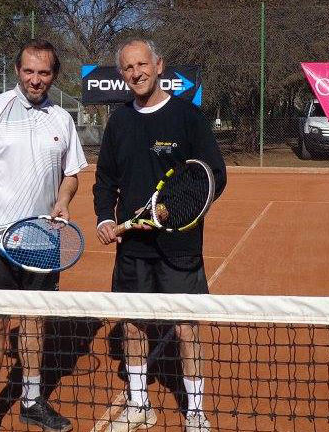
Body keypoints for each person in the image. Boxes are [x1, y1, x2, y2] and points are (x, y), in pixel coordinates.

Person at [0, 39, 87, 432]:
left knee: (34, 321)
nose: (35, 79)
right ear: (17, 71)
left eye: (43, 73)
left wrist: (63, 199)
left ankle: (31, 400)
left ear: (54, 75)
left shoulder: (62, 118)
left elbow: (72, 173)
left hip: (44, 238)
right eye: (28, 71)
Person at [91, 37, 227, 432]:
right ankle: (139, 404)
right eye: (128, 68)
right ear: (122, 74)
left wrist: (171, 209)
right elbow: (105, 181)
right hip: (133, 246)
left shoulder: (188, 117)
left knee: (186, 327)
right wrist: (103, 218)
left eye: (142, 64)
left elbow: (213, 175)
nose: (137, 73)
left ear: (159, 65)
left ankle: (196, 411)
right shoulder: (119, 121)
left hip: (179, 244)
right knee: (132, 323)